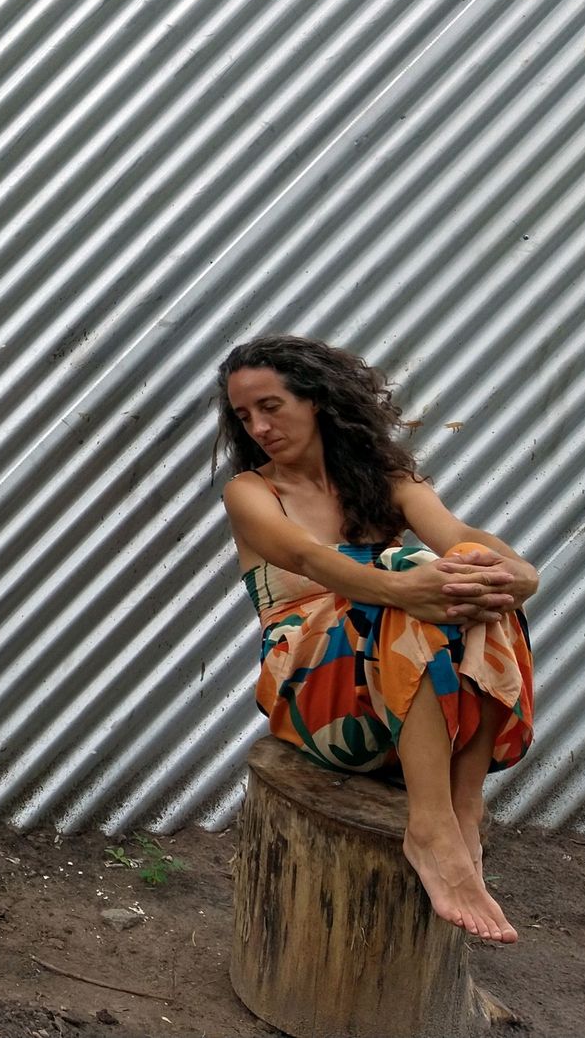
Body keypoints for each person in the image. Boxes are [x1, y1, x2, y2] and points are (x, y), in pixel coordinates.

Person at [218, 335, 536, 944]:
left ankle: (463, 806)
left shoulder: (386, 480)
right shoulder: (252, 491)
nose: (258, 427)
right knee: (412, 576)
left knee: (471, 573)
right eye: (244, 416)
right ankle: (431, 827)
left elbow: (458, 535)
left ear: (317, 400)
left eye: (271, 406)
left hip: (413, 712)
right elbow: (307, 557)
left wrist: (520, 573)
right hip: (319, 701)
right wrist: (401, 587)